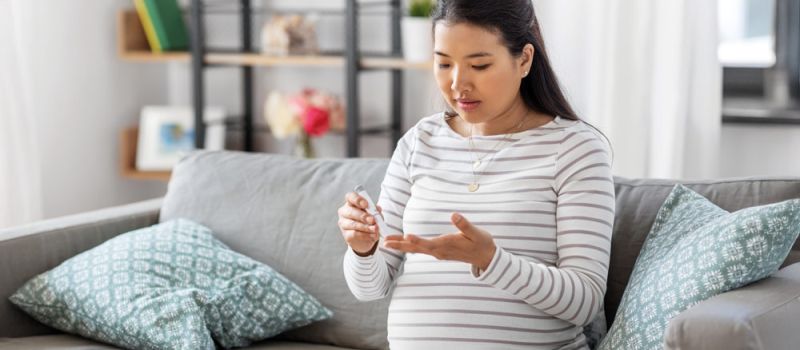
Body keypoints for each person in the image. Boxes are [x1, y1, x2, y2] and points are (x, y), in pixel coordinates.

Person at [337, 1, 614, 349]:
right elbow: (370, 288)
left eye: (479, 65)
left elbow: (584, 301)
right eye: (443, 63)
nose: (457, 84)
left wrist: (491, 260)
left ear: (524, 59)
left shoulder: (576, 148)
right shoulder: (418, 142)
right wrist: (363, 249)